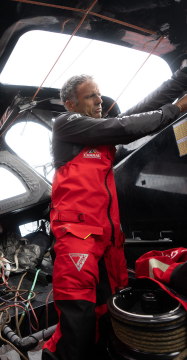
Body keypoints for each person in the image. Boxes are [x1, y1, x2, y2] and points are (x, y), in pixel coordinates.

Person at [42, 69, 187, 360]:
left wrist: (181, 78)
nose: (99, 100)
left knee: (111, 309)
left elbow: (140, 111)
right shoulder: (65, 124)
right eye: (90, 95)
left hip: (109, 241)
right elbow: (126, 125)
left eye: (99, 93)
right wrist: (179, 107)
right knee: (78, 322)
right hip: (77, 241)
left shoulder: (103, 139)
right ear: (71, 104)